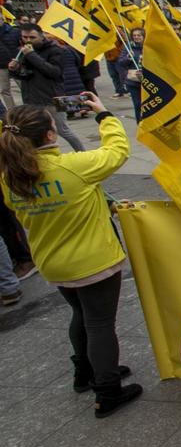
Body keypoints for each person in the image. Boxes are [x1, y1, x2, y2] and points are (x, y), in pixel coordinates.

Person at [0, 93, 141, 416]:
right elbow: (117, 151)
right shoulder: (74, 167)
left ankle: (85, 372)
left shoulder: (10, 179)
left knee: (81, 315)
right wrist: (104, 115)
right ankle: (107, 391)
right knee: (101, 323)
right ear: (51, 135)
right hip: (93, 262)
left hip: (53, 263)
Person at [8, 22, 84, 151]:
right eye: (25, 37)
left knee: (62, 130)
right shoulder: (22, 51)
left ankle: (82, 153)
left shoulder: (55, 50)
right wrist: (14, 69)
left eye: (32, 37)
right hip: (31, 98)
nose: (28, 41)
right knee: (34, 132)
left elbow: (54, 72)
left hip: (51, 98)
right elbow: (25, 75)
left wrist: (31, 55)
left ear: (41, 36)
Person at [117, 28, 145, 121]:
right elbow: (120, 62)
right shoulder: (128, 47)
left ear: (143, 36)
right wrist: (128, 58)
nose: (136, 37)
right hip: (133, 82)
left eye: (139, 35)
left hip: (147, 81)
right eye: (134, 35)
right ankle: (139, 123)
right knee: (137, 105)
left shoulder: (148, 47)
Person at [0, 12, 20, 110]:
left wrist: (18, 60)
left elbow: (22, 46)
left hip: (17, 64)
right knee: (5, 90)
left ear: (2, 19)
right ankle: (13, 111)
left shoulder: (14, 31)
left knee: (24, 87)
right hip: (1, 67)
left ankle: (30, 108)